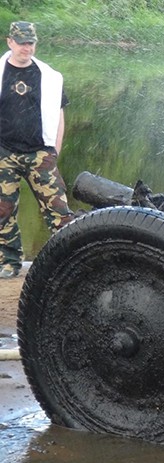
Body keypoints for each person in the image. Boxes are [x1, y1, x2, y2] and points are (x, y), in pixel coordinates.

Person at [0, 21, 74, 278]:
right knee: (2, 210)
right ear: (10, 42)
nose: (26, 48)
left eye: (30, 43)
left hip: (40, 153)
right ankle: (9, 262)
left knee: (59, 212)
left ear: (35, 43)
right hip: (4, 153)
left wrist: (55, 151)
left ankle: (70, 261)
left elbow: (60, 115)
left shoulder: (50, 77)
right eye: (21, 42)